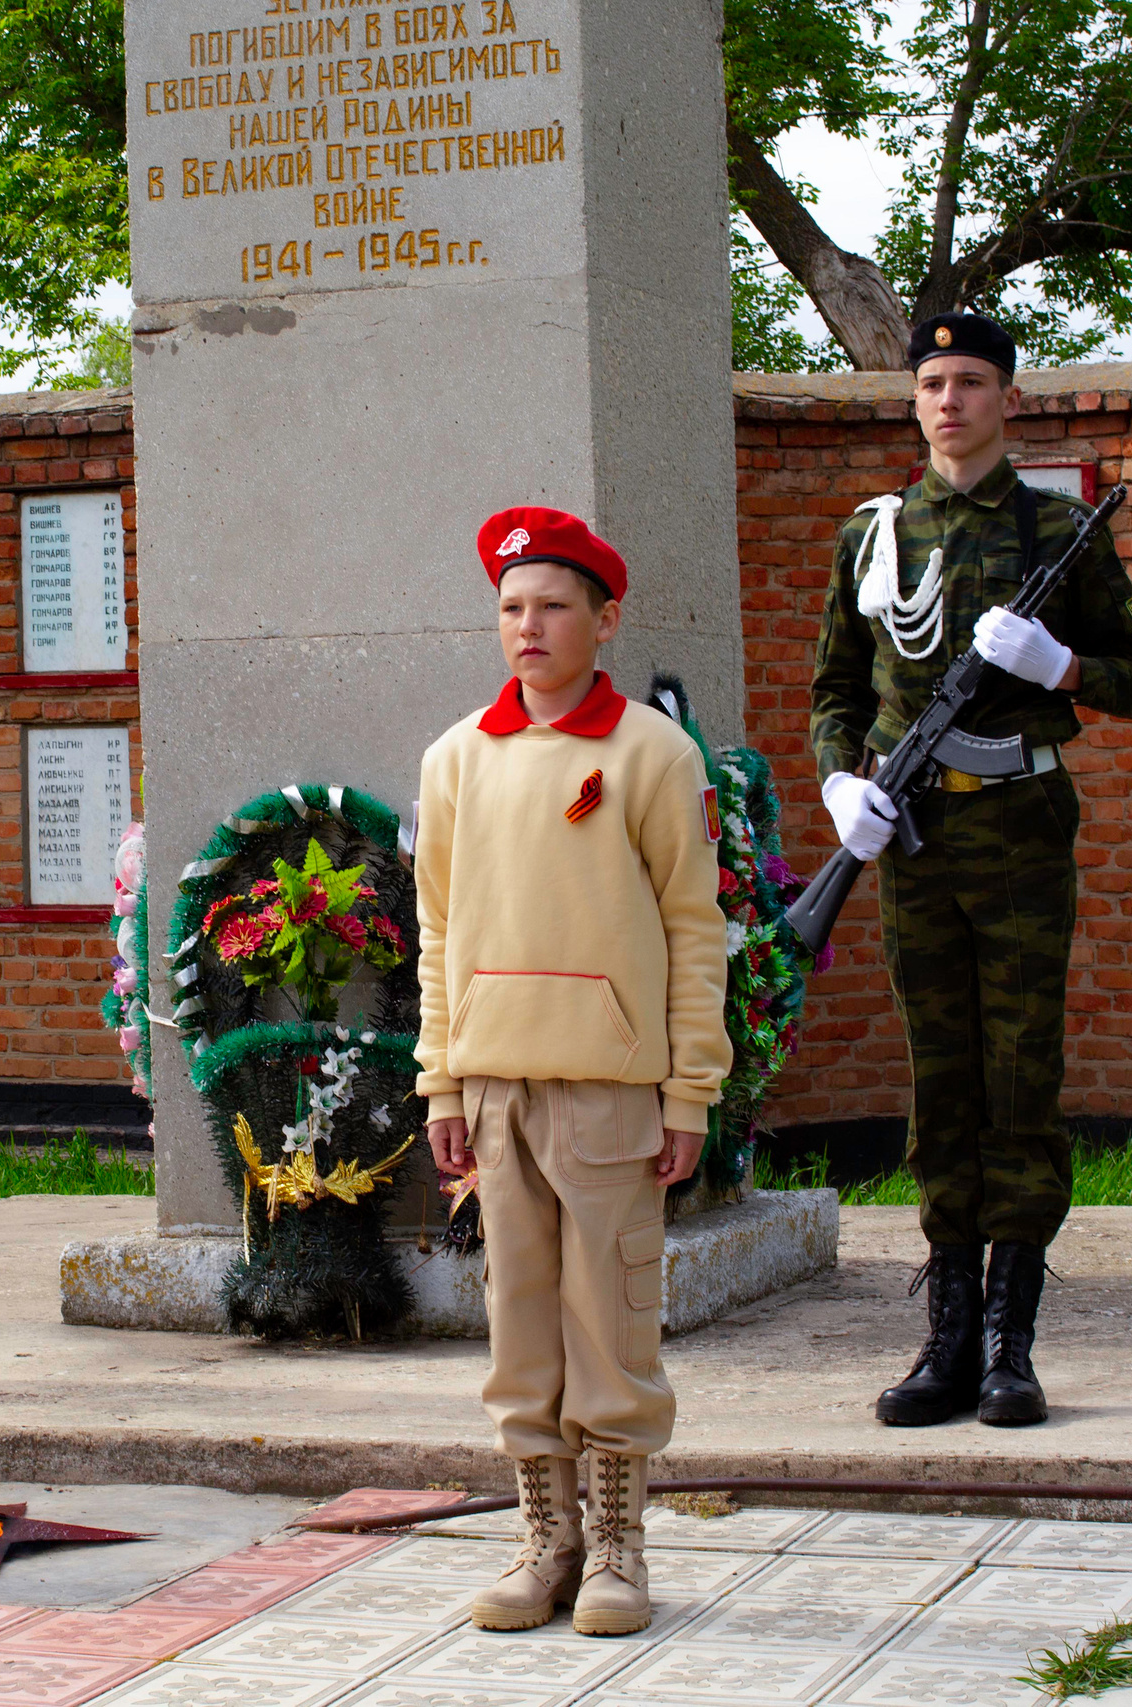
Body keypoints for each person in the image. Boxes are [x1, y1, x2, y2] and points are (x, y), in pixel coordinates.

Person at [810, 311, 1132, 1430]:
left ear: (1006, 399)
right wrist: (837, 783)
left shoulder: (1055, 527)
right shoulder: (871, 536)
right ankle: (947, 1338)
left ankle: (1012, 1344)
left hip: (1018, 822)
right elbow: (837, 689)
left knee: (1019, 1071)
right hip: (913, 833)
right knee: (940, 1074)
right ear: (912, 402)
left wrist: (1060, 661)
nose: (949, 400)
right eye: (931, 382)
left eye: (969, 381)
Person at [417, 507, 731, 1637]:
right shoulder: (456, 757)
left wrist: (689, 1085)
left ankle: (616, 1552)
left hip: (608, 1090)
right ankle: (543, 1542)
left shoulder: (651, 752)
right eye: (510, 608)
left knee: (610, 1323)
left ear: (605, 619)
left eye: (552, 605)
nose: (528, 626)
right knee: (522, 1327)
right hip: (496, 1088)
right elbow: (438, 931)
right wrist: (442, 1084)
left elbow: (695, 930)